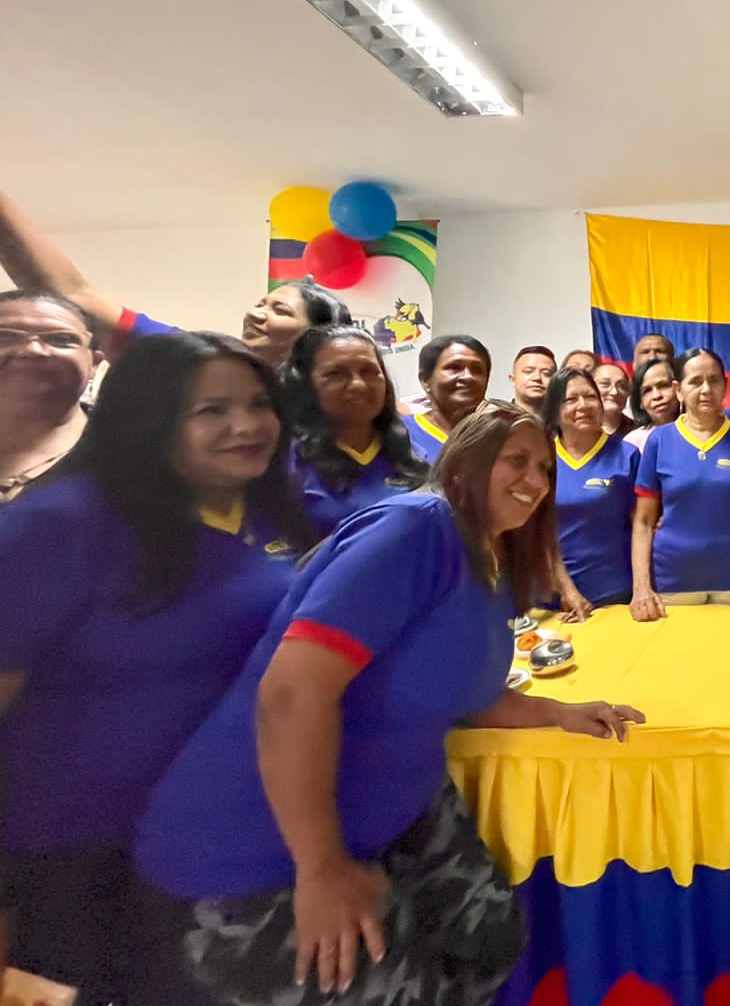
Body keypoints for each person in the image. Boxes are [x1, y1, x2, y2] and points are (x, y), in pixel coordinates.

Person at [131, 403, 644, 1006]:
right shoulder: (415, 528)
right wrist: (320, 870)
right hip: (257, 849)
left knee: (490, 941)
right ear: (465, 461)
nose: (534, 479)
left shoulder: (490, 559)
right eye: (516, 460)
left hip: (392, 819)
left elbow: (461, 692)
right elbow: (293, 691)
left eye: (544, 469)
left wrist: (559, 712)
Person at [0, 332, 316, 1003]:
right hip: (76, 862)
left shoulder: (271, 509)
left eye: (260, 403)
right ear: (149, 417)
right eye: (211, 410)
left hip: (223, 849)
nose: (247, 425)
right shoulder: (60, 525)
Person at [0, 186, 349, 370]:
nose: (255, 314)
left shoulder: (349, 406)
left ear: (316, 338)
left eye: (280, 311)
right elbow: (72, 295)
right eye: (261, 304)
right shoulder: (195, 359)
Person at [630, 349, 730, 617]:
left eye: (714, 380)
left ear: (725, 385)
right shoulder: (660, 441)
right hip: (672, 583)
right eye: (695, 381)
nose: (705, 389)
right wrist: (641, 587)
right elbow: (643, 523)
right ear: (678, 390)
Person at [281, 325, 429, 537]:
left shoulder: (416, 456)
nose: (358, 384)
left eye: (369, 372)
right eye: (336, 374)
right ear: (305, 384)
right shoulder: (286, 465)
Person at [544, 367, 639, 615]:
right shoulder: (541, 459)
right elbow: (537, 533)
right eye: (571, 399)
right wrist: (567, 590)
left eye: (590, 396)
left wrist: (642, 589)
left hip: (615, 593)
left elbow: (643, 526)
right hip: (554, 597)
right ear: (554, 410)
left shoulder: (627, 455)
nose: (583, 405)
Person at [0, 290, 98, 504]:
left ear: (95, 364)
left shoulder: (137, 456)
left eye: (62, 339)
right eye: (5, 336)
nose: (32, 349)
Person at [405, 334, 491, 461]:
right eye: (454, 368)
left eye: (477, 370)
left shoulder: (502, 436)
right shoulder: (400, 433)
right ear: (425, 380)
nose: (468, 377)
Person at [623, 356, 680, 451]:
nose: (657, 396)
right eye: (647, 390)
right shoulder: (632, 443)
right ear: (640, 402)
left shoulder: (699, 431)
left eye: (663, 385)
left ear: (678, 388)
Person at [509, 345, 557, 417]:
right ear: (513, 380)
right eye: (528, 371)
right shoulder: (495, 423)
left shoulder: (565, 424)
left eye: (546, 373)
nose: (537, 378)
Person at [593, 361, 635, 438]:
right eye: (605, 384)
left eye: (622, 386)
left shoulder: (639, 432)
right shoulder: (575, 429)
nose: (614, 392)